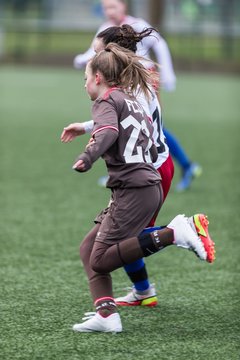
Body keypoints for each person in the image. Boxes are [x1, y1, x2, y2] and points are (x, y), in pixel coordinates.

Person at [62, 43, 215, 333]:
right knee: (88, 249)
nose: (84, 84)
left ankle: (173, 233)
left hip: (135, 189)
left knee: (100, 258)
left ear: (98, 78)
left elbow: (107, 131)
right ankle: (107, 315)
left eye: (85, 78)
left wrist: (87, 156)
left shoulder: (106, 100)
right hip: (144, 184)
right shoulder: (131, 98)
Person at [73, 0, 202, 191]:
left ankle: (180, 165)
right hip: (127, 78)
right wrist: (82, 59)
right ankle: (132, 168)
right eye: (106, 7)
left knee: (143, 121)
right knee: (136, 120)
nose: (109, 11)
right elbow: (96, 52)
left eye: (113, 7)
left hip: (142, 77)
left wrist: (168, 74)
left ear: (123, 7)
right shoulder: (106, 29)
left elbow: (160, 45)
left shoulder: (137, 24)